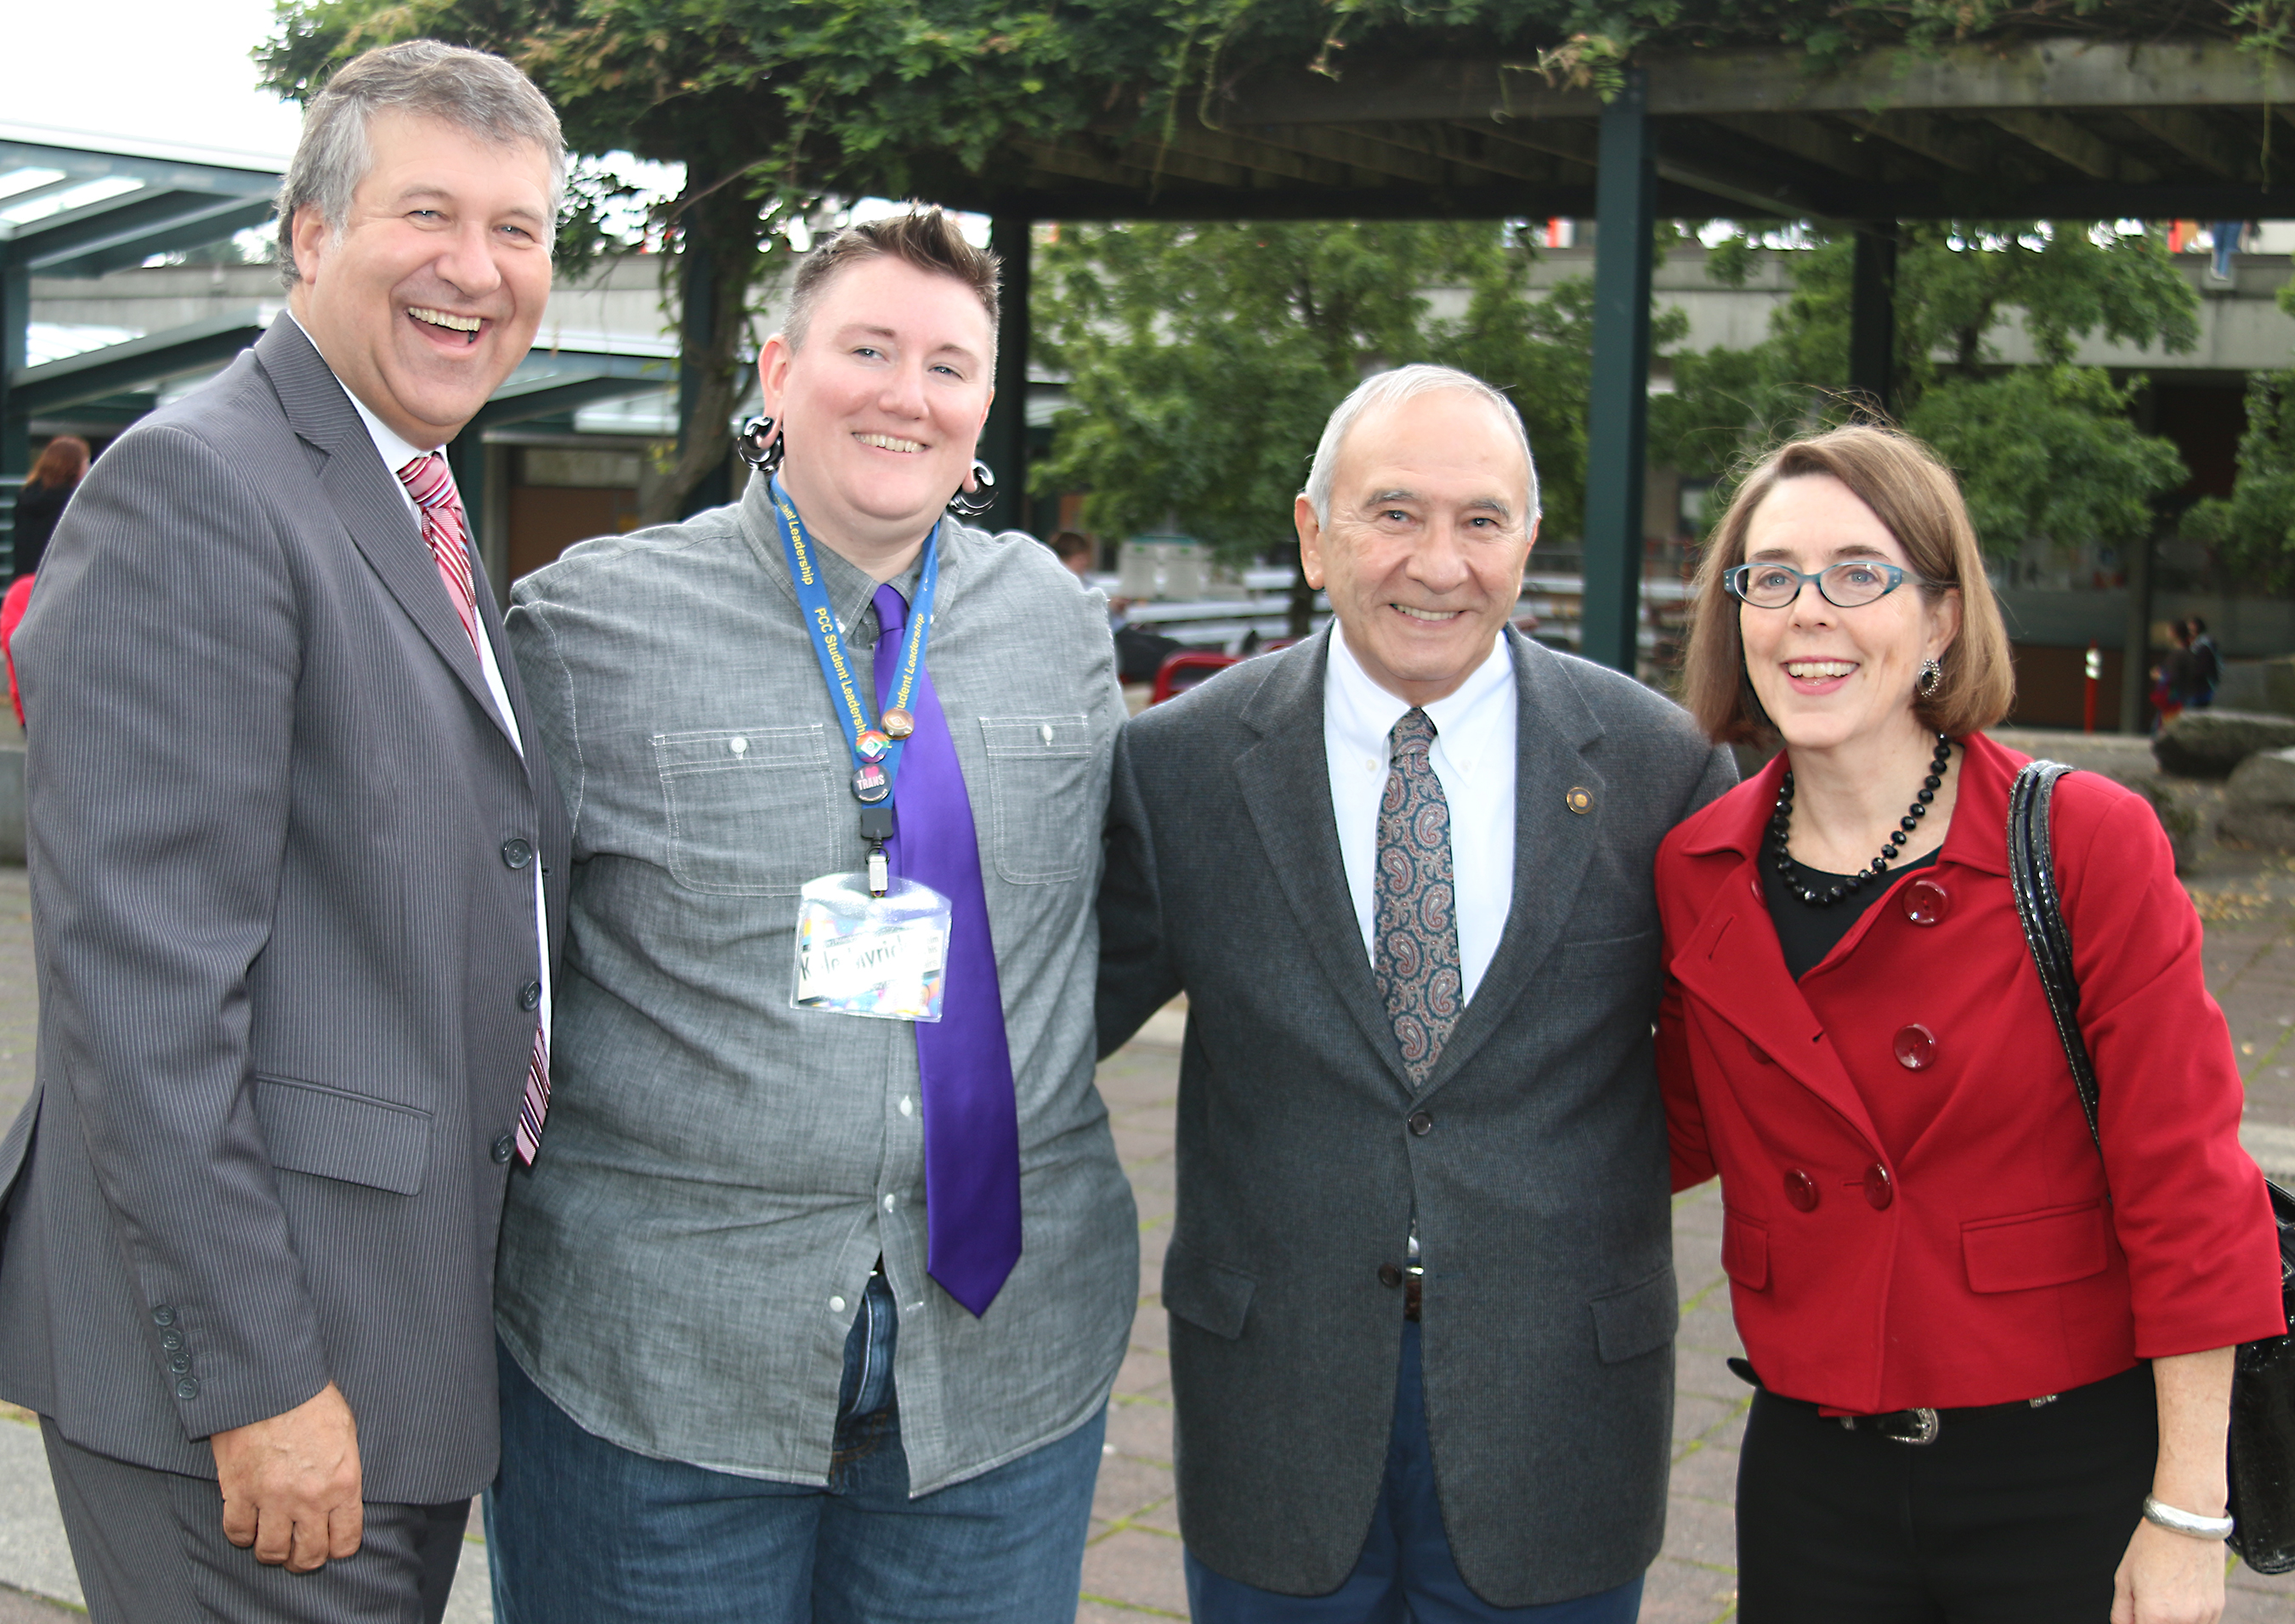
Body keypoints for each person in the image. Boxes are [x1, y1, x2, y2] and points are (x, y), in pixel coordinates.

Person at [486, 206, 1136, 1624]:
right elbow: (476, 957)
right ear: (777, 377)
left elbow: (1116, 916)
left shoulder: (1061, 624)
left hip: (999, 1379)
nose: (909, 393)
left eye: (951, 365)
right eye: (868, 348)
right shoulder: (590, 631)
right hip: (661, 1375)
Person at [0, 41, 569, 1623]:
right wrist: (257, 1381)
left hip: (390, 1328)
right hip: (258, 1385)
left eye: (518, 230)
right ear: (310, 234)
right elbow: (142, 1001)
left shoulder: (413, 494)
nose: (477, 270)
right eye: (429, 215)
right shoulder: (198, 487)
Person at [1097, 364, 1736, 1621]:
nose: (1438, 563)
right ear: (1314, 534)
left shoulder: (1662, 765)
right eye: (1394, 513)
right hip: (1275, 1410)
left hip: (1560, 1418)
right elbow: (1039, 1032)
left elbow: (1759, 1060)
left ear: (1529, 541)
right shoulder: (1180, 768)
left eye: (1480, 520)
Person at [1657, 424, 2285, 1623]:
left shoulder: (2082, 841)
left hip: (2063, 1472)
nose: (1808, 611)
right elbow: (1670, 1128)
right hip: (1810, 1473)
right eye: (1772, 575)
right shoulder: (1696, 866)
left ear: (1943, 616)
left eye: (1860, 571)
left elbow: (2192, 1192)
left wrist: (2189, 1512)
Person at [9, 434, 88, 582]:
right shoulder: (76, 503)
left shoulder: (25, 496)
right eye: (86, 461)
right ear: (73, 468)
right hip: (59, 585)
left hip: (24, 584)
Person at [2186, 614, 2221, 709]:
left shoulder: (2204, 645)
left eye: (2191, 627)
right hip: (2200, 690)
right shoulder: (2197, 645)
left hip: (2202, 691)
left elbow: (2203, 668)